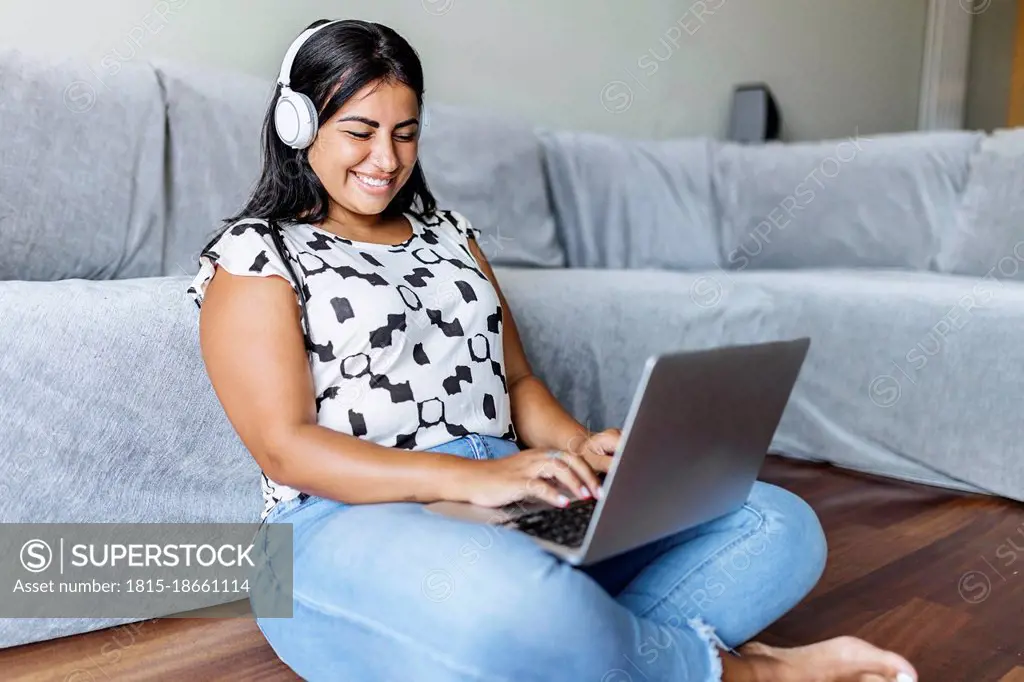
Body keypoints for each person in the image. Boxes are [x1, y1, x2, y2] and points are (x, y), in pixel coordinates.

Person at [187, 18, 918, 682]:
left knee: (776, 524)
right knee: (519, 608)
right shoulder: (256, 255)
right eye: (360, 130)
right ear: (297, 123)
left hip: (505, 497)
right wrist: (472, 479)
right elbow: (285, 449)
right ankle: (740, 673)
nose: (387, 158)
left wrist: (580, 448)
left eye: (406, 132)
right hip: (337, 521)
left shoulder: (448, 232)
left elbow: (517, 381)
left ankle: (579, 648)